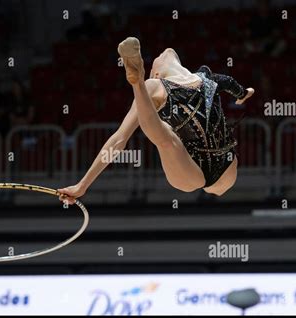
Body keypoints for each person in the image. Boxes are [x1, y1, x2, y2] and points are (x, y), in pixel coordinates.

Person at [58, 37, 254, 203]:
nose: (161, 57)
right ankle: (138, 83)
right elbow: (232, 85)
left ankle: (137, 84)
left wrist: (244, 94)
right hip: (211, 169)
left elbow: (119, 140)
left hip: (205, 172)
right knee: (168, 137)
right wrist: (244, 93)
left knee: (166, 138)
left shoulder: (181, 81)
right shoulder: (184, 81)